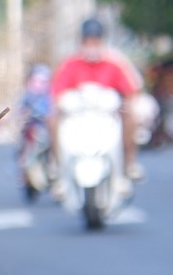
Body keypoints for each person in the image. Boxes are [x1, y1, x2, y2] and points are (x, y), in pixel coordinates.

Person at [51, 17, 145, 181]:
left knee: (131, 115)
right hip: (78, 115)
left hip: (108, 114)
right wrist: (60, 104)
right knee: (51, 118)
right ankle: (57, 167)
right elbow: (57, 92)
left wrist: (127, 103)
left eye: (95, 40)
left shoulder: (115, 61)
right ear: (82, 41)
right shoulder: (71, 63)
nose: (92, 45)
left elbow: (132, 89)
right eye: (88, 41)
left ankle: (130, 163)